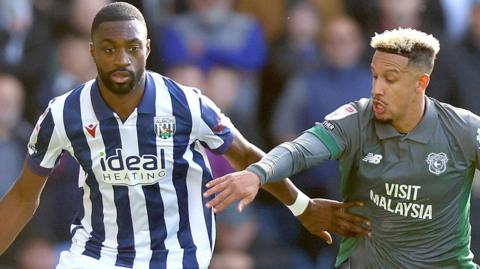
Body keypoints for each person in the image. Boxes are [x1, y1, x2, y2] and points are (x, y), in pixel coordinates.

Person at [0, 3, 371, 269]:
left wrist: (302, 206)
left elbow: (246, 155)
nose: (121, 60)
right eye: (109, 49)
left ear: (147, 48)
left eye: (132, 48)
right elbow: (22, 196)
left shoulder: (186, 104)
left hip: (176, 257)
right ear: (93, 51)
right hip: (96, 255)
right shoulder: (64, 113)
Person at [205, 27, 480, 268]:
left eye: (390, 79)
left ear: (421, 83)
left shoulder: (463, 129)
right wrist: (258, 173)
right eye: (374, 76)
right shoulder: (356, 119)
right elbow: (300, 149)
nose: (377, 89)